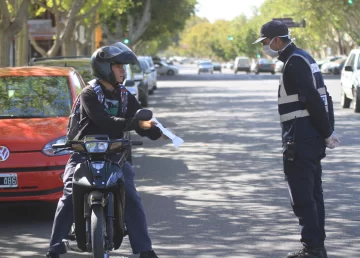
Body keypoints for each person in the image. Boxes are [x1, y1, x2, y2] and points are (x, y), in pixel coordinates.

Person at [46, 42, 168, 258]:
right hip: (82, 155)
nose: (123, 70)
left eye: (123, 67)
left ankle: (145, 249)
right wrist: (134, 123)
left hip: (115, 156)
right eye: (118, 66)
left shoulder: (124, 95)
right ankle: (54, 248)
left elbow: (139, 116)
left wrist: (156, 131)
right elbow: (106, 122)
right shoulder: (89, 94)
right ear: (104, 68)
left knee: (130, 194)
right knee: (68, 194)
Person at [253, 20, 340, 258]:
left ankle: (312, 248)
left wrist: (327, 132)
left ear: (276, 40)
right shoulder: (305, 58)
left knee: (302, 197)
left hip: (300, 139)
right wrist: (327, 131)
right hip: (310, 137)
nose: (265, 47)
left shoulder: (294, 63)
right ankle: (316, 247)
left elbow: (313, 98)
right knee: (313, 194)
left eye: (265, 42)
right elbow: (325, 97)